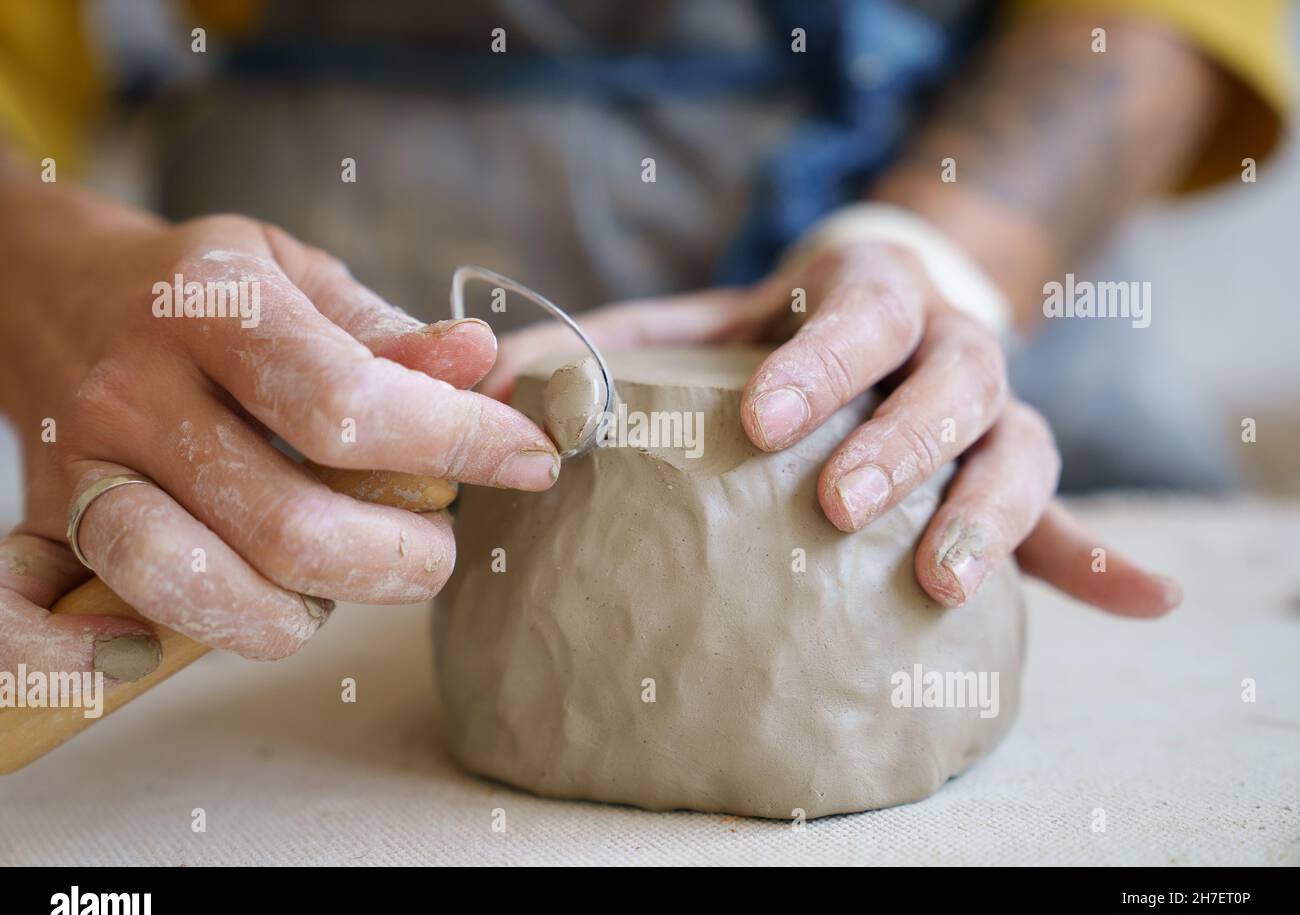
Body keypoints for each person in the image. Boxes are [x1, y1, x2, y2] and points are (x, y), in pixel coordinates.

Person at [0, 0, 1290, 682]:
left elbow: (1164, 21)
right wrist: (53, 273)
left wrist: (940, 262)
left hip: (957, 327)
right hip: (305, 395)